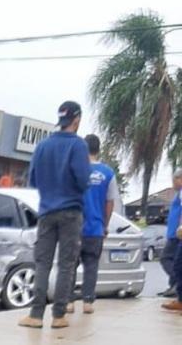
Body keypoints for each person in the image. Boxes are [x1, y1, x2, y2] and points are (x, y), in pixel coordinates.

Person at [19, 101, 90, 329]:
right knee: (66, 265)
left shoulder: (42, 146)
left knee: (42, 263)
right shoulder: (78, 146)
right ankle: (58, 316)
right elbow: (83, 180)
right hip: (70, 212)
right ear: (76, 120)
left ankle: (36, 315)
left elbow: (33, 181)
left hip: (46, 212)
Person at [67, 134, 117, 314]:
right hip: (95, 229)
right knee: (91, 265)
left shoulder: (75, 170)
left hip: (74, 227)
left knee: (70, 264)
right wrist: (105, 224)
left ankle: (68, 302)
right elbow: (110, 202)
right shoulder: (108, 173)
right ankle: (88, 302)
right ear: (98, 149)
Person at [160, 169, 182, 309]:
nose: (173, 183)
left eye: (174, 180)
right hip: (174, 233)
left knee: (168, 260)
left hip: (177, 234)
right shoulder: (178, 194)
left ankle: (175, 284)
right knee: (176, 262)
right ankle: (177, 290)